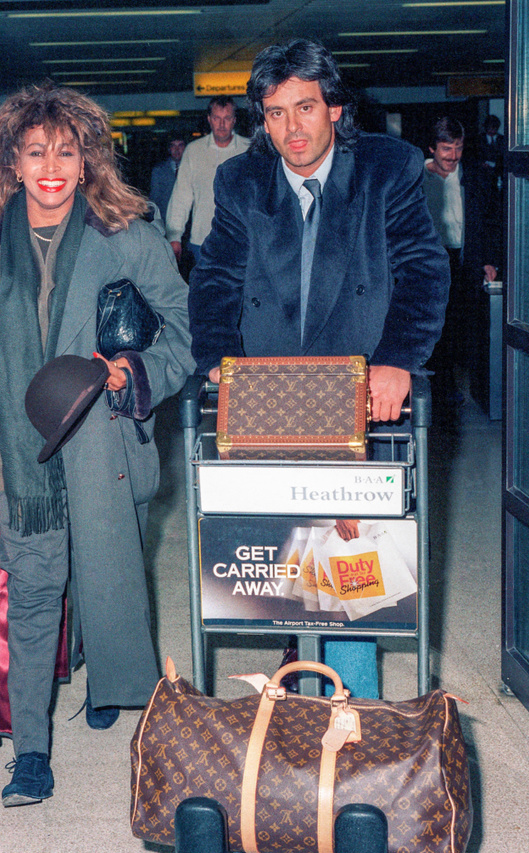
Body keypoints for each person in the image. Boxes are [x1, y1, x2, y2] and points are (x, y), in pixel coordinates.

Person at [0, 83, 194, 807]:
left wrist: (132, 372)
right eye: (36, 151)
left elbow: (180, 332)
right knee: (37, 590)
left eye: (66, 152)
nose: (51, 166)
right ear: (12, 160)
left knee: (106, 575)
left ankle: (106, 674)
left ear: (87, 162)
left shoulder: (126, 233)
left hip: (105, 443)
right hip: (18, 456)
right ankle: (33, 754)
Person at [187, 38, 449, 699]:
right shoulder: (241, 180)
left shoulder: (388, 168)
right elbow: (216, 273)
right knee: (277, 562)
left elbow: (422, 269)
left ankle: (348, 718)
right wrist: (219, 359)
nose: (291, 129)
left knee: (349, 567)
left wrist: (396, 361)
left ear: (335, 106)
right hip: (268, 397)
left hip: (354, 393)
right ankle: (297, 704)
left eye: (305, 108)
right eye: (274, 113)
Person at [422, 116, 499, 409]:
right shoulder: (413, 179)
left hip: (463, 261)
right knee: (430, 327)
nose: (453, 156)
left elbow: (492, 221)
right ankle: (430, 385)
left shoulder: (475, 178)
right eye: (446, 149)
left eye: (458, 148)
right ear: (431, 148)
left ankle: (448, 384)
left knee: (456, 328)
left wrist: (489, 260)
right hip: (426, 263)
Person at [164, 96, 250, 267]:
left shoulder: (249, 149)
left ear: (234, 120)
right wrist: (174, 236)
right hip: (202, 240)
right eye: (217, 118)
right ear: (209, 120)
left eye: (227, 119)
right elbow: (181, 196)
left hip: (242, 240)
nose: (222, 124)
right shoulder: (193, 151)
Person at [149, 135, 185, 223]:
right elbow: (154, 197)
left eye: (180, 145)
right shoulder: (159, 170)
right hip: (166, 220)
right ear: (169, 149)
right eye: (173, 146)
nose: (177, 150)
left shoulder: (193, 169)